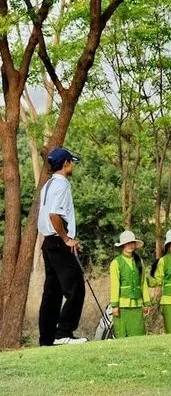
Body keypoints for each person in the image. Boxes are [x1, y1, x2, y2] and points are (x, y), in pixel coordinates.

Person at [37, 146, 87, 346]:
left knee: (52, 292)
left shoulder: (47, 185)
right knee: (76, 287)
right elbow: (54, 215)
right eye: (72, 162)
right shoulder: (62, 185)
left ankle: (47, 339)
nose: (73, 165)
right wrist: (67, 238)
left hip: (48, 242)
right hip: (58, 242)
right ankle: (63, 333)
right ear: (65, 163)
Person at [109, 230, 151, 337]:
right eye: (127, 243)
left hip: (137, 305)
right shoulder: (116, 263)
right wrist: (114, 306)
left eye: (132, 243)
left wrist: (146, 303)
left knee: (139, 334)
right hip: (122, 306)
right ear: (123, 245)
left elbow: (143, 284)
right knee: (122, 334)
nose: (130, 245)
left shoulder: (139, 261)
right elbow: (115, 286)